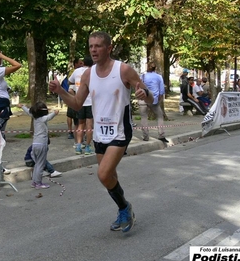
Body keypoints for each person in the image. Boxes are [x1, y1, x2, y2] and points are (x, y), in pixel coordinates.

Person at [49, 31, 153, 233]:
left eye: (98, 46)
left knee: (103, 174)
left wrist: (144, 93)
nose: (93, 50)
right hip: (99, 134)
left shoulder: (123, 70)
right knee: (109, 176)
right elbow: (78, 104)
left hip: (120, 131)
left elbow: (150, 98)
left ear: (109, 47)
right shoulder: (88, 74)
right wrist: (61, 92)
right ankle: (124, 209)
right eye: (90, 46)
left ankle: (124, 207)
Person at [18, 102, 59, 189]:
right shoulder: (43, 119)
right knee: (40, 164)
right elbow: (50, 116)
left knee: (37, 164)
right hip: (42, 144)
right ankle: (38, 183)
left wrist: (22, 106)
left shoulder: (35, 118)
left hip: (35, 144)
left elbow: (28, 111)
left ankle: (34, 182)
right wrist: (55, 113)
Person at [69, 56, 94, 154]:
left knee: (80, 125)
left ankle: (78, 146)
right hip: (90, 102)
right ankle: (87, 147)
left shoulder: (76, 71)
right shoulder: (93, 72)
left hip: (80, 102)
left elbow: (70, 81)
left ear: (83, 63)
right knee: (89, 126)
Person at [139, 62, 168, 143]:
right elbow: (161, 90)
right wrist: (160, 98)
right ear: (155, 68)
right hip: (154, 100)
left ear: (147, 67)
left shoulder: (143, 76)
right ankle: (161, 135)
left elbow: (138, 86)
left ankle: (145, 136)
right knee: (160, 116)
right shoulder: (159, 77)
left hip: (143, 98)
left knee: (144, 117)